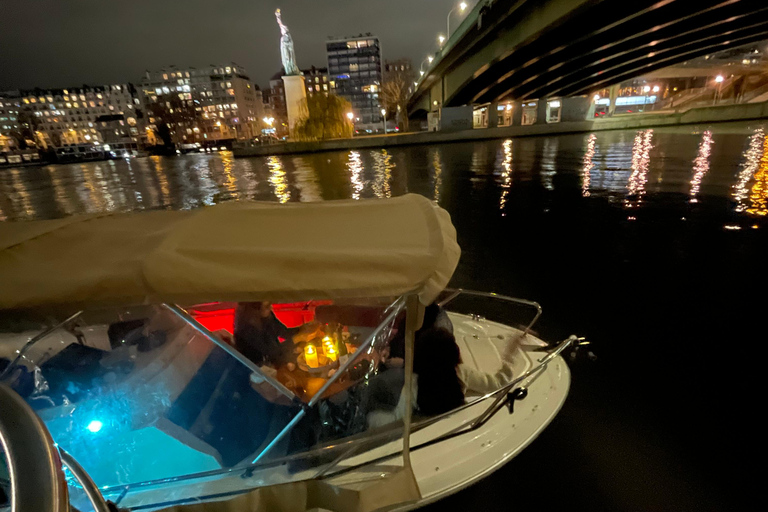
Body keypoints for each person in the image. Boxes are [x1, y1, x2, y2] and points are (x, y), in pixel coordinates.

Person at [366, 327, 518, 428]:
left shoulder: (414, 382)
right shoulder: (461, 372)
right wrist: (510, 354)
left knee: (371, 415)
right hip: (451, 424)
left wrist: (371, 417)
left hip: (422, 427)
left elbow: (400, 417)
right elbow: (499, 383)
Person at [233, 302, 298, 369]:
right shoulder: (247, 331)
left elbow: (284, 332)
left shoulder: (267, 316)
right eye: (267, 306)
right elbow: (273, 353)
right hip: (260, 370)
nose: (271, 308)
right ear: (255, 310)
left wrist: (302, 329)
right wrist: (296, 339)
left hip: (275, 361)